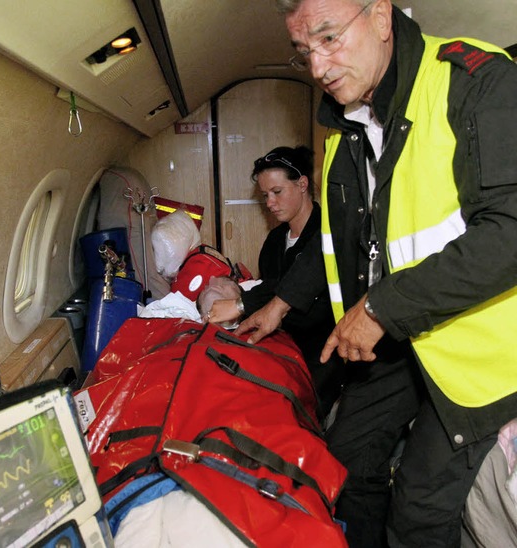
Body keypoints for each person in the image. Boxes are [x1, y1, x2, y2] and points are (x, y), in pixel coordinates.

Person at [273, 0, 517, 546]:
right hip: (409, 338)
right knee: (342, 463)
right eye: (303, 52)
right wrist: (277, 303)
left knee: (416, 511)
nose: (316, 66)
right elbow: (340, 240)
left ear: (381, 17)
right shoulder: (343, 127)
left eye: (329, 39)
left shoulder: (473, 82)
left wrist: (382, 308)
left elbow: (512, 231)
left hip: (487, 354)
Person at [204, 145, 344, 420]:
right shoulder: (273, 243)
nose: (270, 203)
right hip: (281, 345)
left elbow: (292, 290)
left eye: (277, 192)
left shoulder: (327, 234)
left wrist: (242, 303)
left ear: (302, 184)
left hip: (323, 352)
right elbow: (270, 288)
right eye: (265, 195)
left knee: (283, 413)